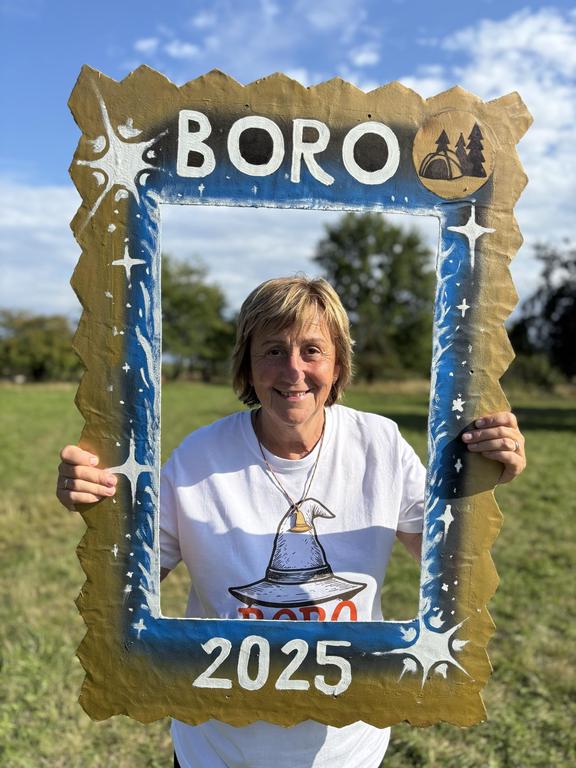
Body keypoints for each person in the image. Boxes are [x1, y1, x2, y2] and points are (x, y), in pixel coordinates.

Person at [57, 276, 526, 768]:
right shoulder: (198, 458)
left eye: (312, 350)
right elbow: (134, 584)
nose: (293, 370)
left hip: (347, 749)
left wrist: (479, 484)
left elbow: (446, 562)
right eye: (273, 351)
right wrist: (99, 509)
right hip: (219, 748)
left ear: (338, 363)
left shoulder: (380, 445)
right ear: (247, 364)